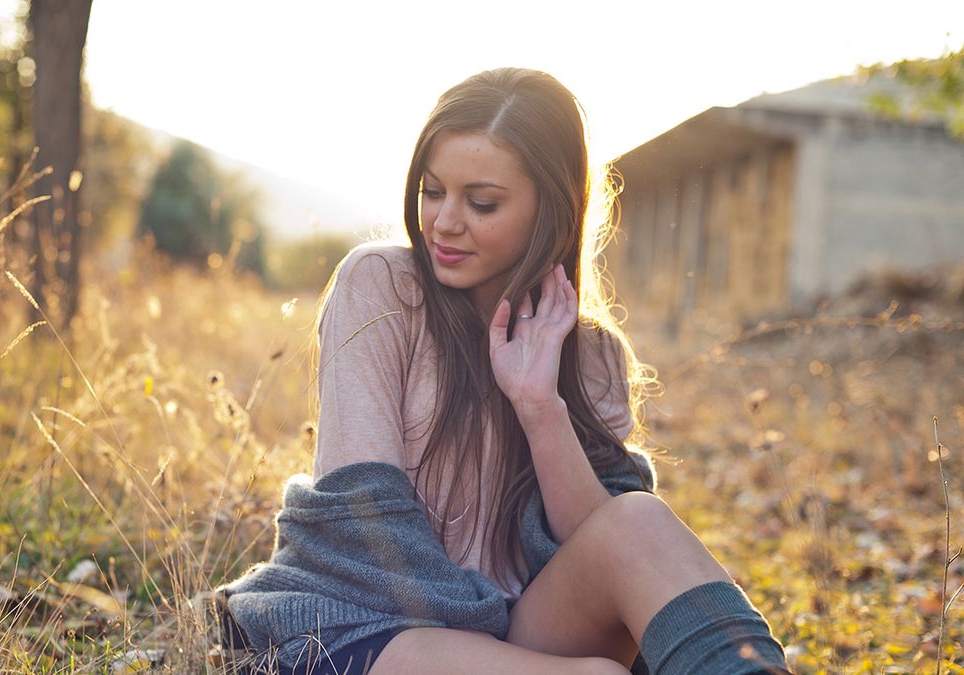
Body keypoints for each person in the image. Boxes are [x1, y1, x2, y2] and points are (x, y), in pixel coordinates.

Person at [217, 67, 788, 675]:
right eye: (432, 191)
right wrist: (495, 638)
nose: (444, 222)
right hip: (361, 621)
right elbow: (365, 521)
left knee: (638, 518)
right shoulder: (380, 285)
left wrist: (540, 406)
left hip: (509, 637)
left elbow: (599, 547)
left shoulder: (590, 350)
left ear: (553, 209)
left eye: (481, 202)